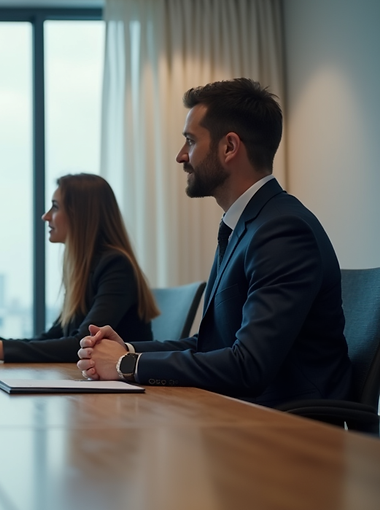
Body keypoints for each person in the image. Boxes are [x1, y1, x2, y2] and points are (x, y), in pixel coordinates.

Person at [77, 78, 352, 408]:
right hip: (240, 415)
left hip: (289, 431)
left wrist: (126, 366)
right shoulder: (246, 225)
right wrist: (128, 351)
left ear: (229, 147)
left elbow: (248, 365)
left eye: (190, 141)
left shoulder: (283, 231)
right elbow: (209, 345)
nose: (181, 156)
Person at [0, 173, 157, 362]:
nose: (46, 216)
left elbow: (79, 346)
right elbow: (51, 338)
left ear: (81, 215)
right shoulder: (84, 269)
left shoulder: (116, 266)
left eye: (55, 207)